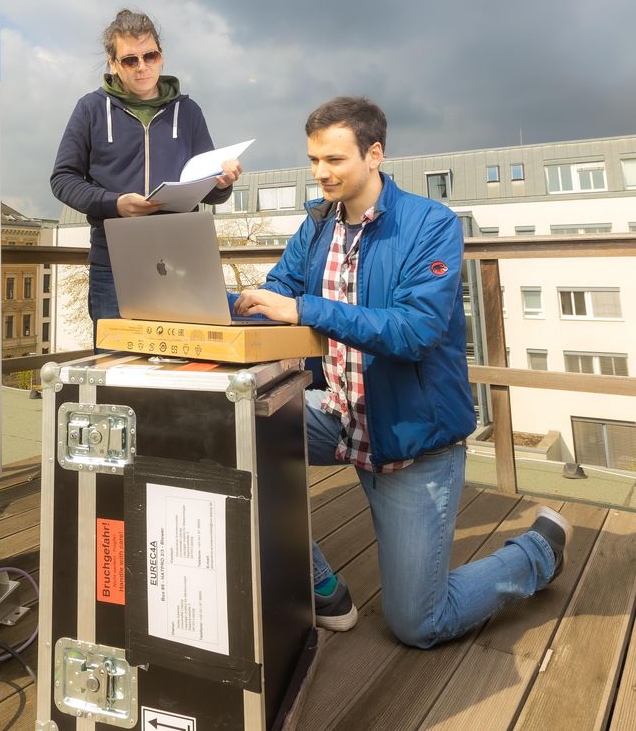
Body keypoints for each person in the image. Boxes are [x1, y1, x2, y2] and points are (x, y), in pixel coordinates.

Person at [233, 96, 572, 648]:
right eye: (314, 159)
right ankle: (318, 582)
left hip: (412, 439)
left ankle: (538, 552)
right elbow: (277, 294)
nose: (321, 172)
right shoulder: (316, 227)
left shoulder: (430, 224)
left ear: (375, 154)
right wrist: (207, 302)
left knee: (419, 623)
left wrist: (303, 309)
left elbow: (415, 331)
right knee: (228, 427)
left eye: (334, 159)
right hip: (337, 415)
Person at [51, 9, 241, 340]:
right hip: (113, 262)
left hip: (182, 259)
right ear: (112, 63)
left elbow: (209, 189)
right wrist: (115, 203)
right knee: (115, 367)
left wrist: (222, 183)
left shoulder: (189, 111)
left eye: (149, 56)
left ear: (161, 57)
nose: (142, 67)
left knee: (178, 366)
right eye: (130, 60)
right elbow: (63, 178)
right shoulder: (91, 109)